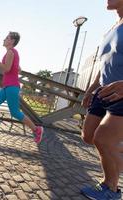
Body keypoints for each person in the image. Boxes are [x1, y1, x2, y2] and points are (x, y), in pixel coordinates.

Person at [80, 1, 123, 199]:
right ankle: (116, 152)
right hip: (102, 92)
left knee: (103, 139)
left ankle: (111, 189)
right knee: (88, 136)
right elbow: (104, 62)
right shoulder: (112, 27)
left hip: (120, 93)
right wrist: (91, 88)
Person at [0, 32, 44, 144]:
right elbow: (18, 69)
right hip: (7, 86)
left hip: (12, 87)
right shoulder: (12, 53)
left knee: (15, 112)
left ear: (12, 41)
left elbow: (7, 69)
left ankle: (37, 130)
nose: (4, 39)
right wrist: (13, 66)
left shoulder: (10, 52)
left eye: (7, 38)